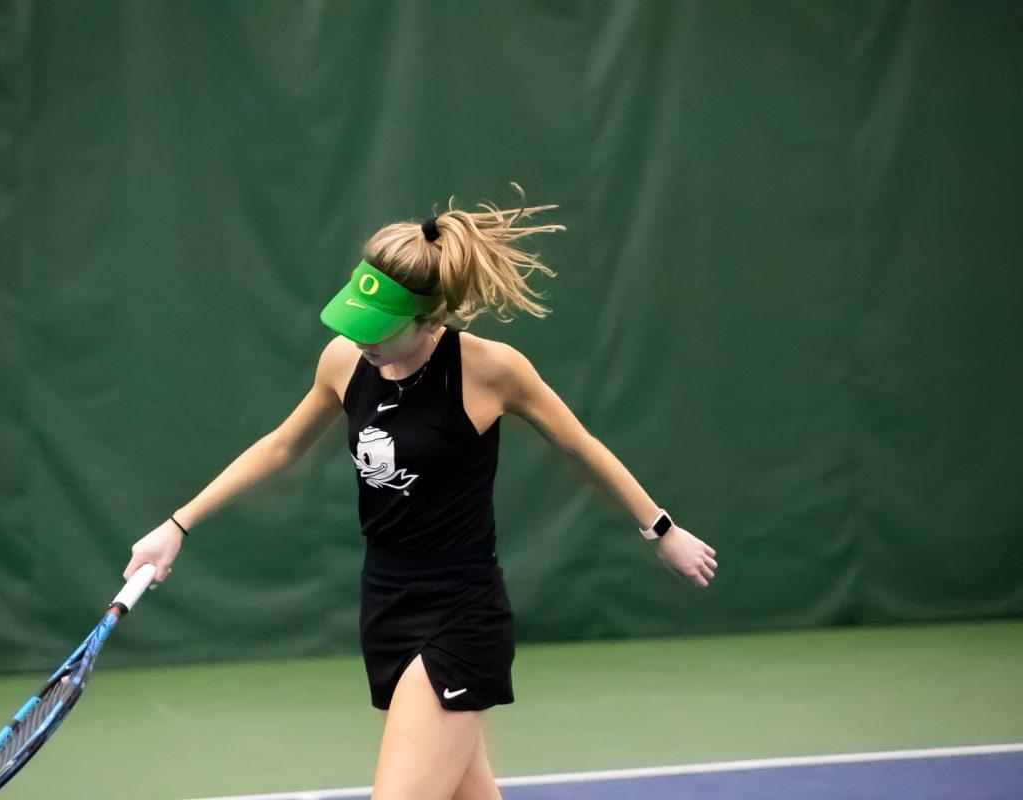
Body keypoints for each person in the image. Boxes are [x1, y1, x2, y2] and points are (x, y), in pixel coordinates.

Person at [123, 184, 718, 799]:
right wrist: (177, 525)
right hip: (384, 601)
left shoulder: (490, 370)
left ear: (429, 317)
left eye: (378, 327)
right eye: (357, 320)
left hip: (461, 611)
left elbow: (580, 445)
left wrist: (663, 531)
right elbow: (280, 446)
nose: (363, 338)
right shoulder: (344, 361)